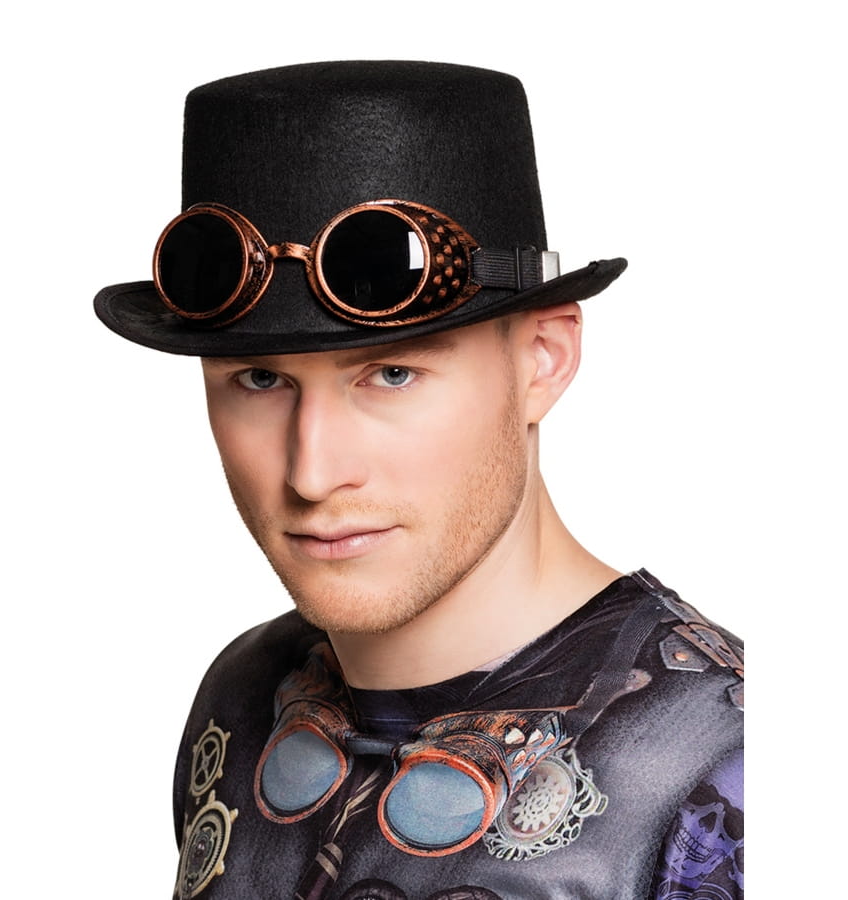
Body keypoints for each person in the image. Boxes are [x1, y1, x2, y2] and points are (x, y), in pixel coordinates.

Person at [94, 61, 743, 900]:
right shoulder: (244, 694)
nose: (313, 472)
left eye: (392, 374)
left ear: (543, 360)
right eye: (260, 379)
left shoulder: (721, 765)